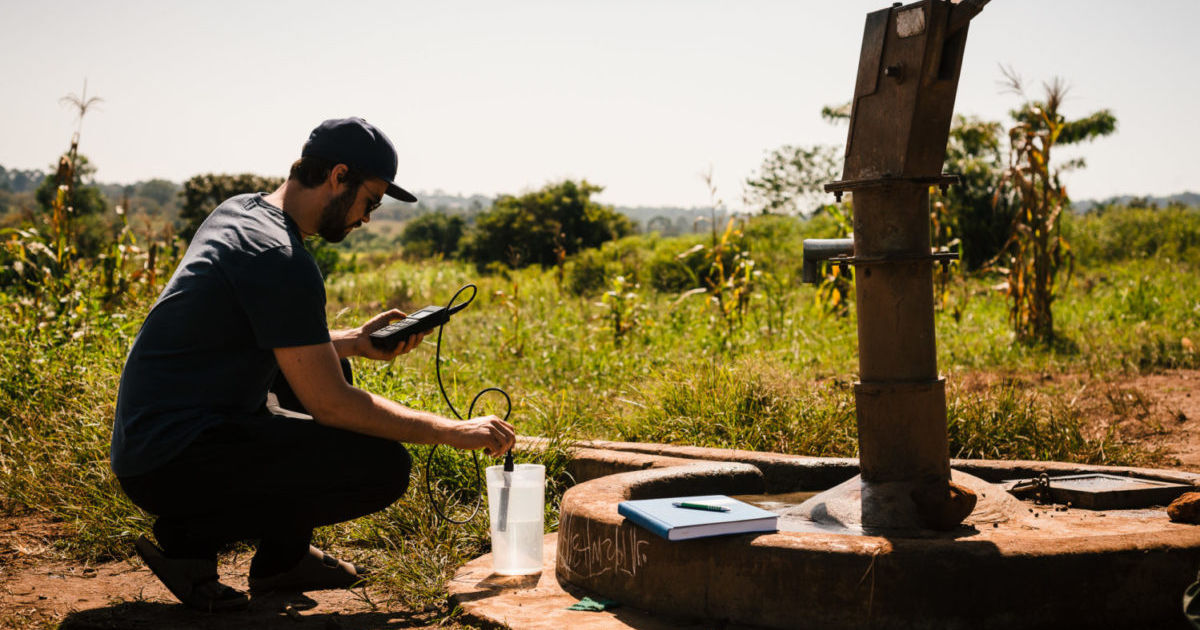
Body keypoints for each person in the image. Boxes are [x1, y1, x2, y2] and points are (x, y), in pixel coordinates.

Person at [111, 117, 516, 612]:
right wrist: (452, 430)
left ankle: (284, 559)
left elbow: (257, 334)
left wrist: (353, 342)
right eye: (371, 200)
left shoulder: (241, 212)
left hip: (154, 436)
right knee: (380, 466)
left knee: (332, 366)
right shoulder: (279, 257)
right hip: (172, 461)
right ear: (338, 176)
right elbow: (333, 407)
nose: (368, 217)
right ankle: (188, 536)